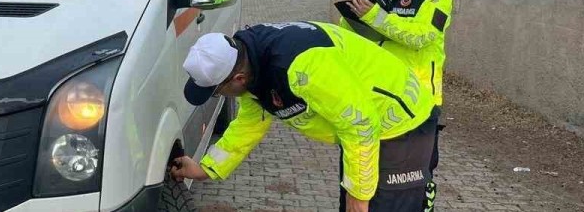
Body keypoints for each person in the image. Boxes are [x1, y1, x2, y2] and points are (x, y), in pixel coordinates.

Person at [171, 24, 438, 212]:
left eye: (217, 92)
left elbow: (361, 124)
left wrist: (358, 194)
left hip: (401, 123)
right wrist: (206, 169)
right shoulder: (251, 63)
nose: (222, 96)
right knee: (357, 200)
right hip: (363, 129)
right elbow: (249, 124)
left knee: (370, 203)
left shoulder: (301, 68)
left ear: (237, 78)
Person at [344, 0, 453, 211]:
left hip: (419, 101)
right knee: (368, 172)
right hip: (376, 96)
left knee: (416, 177)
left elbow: (419, 37)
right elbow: (353, 35)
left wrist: (375, 17)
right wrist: (350, 21)